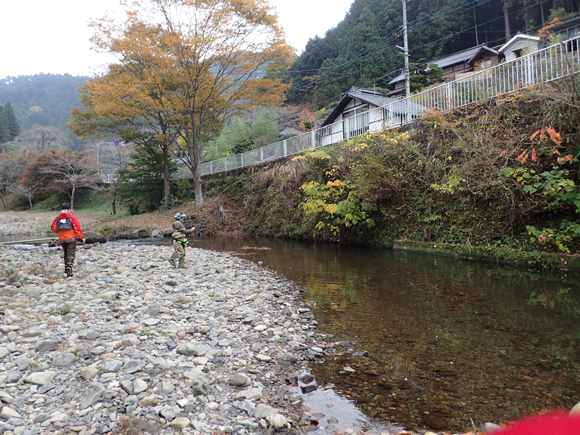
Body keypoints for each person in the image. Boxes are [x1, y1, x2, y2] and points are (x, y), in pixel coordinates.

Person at [51, 203, 86, 277]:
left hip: (62, 238)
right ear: (69, 209)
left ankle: (66, 269)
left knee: (66, 253)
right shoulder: (72, 217)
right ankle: (69, 268)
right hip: (71, 238)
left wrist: (60, 232)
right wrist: (82, 237)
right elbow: (77, 228)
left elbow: (53, 228)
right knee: (71, 253)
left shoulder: (57, 218)